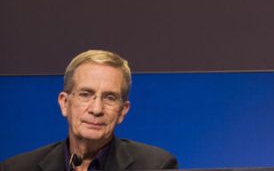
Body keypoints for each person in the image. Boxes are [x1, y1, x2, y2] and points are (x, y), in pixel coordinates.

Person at [0, 50, 178, 171]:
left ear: (123, 111)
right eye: (85, 95)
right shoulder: (17, 168)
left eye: (110, 98)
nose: (96, 109)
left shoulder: (156, 166)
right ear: (64, 103)